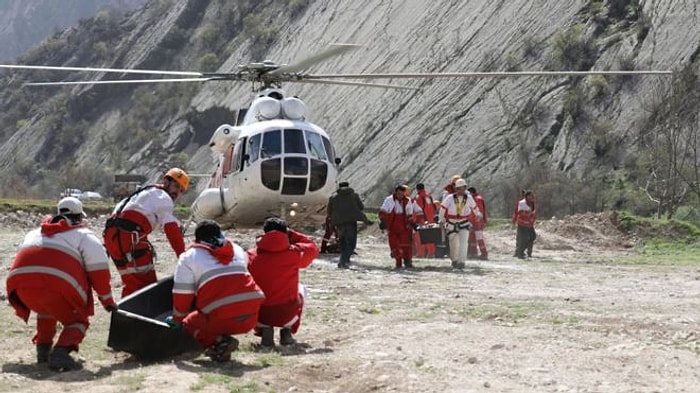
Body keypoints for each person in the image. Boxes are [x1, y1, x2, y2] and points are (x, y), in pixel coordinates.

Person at [6, 197, 117, 372]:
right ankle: (61, 353)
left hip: (19, 287)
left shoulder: (34, 233)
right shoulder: (84, 236)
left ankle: (43, 350)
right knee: (78, 320)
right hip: (55, 285)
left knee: (46, 310)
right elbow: (99, 273)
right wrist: (107, 301)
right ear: (80, 217)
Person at [167, 220, 265, 362]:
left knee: (189, 322)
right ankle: (221, 345)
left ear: (197, 239)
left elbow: (182, 295)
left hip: (223, 318)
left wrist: (177, 319)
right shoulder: (236, 249)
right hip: (250, 318)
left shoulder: (189, 257)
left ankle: (219, 342)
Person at [103, 167, 189, 297]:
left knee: (131, 282)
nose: (177, 192)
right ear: (166, 182)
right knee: (146, 285)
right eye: (176, 186)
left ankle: (122, 315)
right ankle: (137, 315)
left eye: (180, 190)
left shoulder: (144, 193)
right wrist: (184, 258)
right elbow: (171, 230)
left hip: (112, 238)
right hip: (130, 237)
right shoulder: (163, 197)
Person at [247, 217, 319, 347]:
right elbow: (313, 247)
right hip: (287, 314)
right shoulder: (295, 253)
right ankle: (287, 330)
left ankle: (264, 329)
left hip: (260, 316)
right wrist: (291, 233)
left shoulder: (250, 255)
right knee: (301, 288)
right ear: (285, 232)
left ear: (264, 233)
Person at [438, 179, 478, 269]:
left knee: (464, 243)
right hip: (452, 222)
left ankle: (461, 262)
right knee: (454, 244)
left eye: (463, 188)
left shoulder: (469, 198)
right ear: (456, 189)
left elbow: (475, 208)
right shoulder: (450, 198)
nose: (461, 191)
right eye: (459, 189)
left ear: (465, 188)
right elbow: (442, 209)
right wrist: (441, 220)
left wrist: (478, 215)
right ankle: (454, 260)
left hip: (464, 222)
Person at [327, 181, 367, 268]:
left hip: (339, 223)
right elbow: (361, 207)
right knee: (351, 243)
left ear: (339, 187)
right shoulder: (354, 195)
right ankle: (343, 261)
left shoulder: (333, 197)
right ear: (348, 186)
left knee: (343, 242)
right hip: (351, 222)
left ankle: (345, 260)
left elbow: (329, 212)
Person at [379, 185, 415, 268]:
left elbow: (409, 214)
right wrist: (383, 221)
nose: (400, 196)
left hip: (404, 226)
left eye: (402, 194)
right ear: (395, 192)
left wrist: (413, 223)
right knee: (394, 245)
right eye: (399, 194)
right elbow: (383, 211)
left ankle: (407, 262)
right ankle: (398, 263)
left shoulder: (407, 200)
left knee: (406, 245)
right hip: (393, 226)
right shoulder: (389, 200)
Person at [412, 183, 436, 258]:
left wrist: (414, 219)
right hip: (430, 219)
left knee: (419, 237)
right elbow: (433, 208)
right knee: (430, 236)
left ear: (417, 189)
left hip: (422, 219)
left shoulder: (418, 197)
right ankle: (431, 253)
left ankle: (420, 253)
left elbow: (417, 210)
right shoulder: (428, 196)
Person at [513, 190, 537, 259]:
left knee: (532, 236)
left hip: (529, 224)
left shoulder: (532, 203)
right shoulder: (521, 203)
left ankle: (522, 251)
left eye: (531, 196)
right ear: (526, 196)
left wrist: (532, 219)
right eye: (529, 196)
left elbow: (534, 213)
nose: (531, 197)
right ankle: (520, 253)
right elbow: (519, 212)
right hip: (522, 223)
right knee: (522, 239)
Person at [467, 186, 489, 260]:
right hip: (473, 221)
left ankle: (484, 253)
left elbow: (479, 211)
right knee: (472, 238)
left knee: (479, 238)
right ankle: (473, 253)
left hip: (477, 222)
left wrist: (477, 221)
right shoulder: (474, 198)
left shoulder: (477, 199)